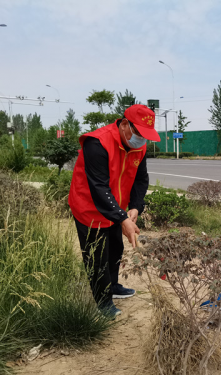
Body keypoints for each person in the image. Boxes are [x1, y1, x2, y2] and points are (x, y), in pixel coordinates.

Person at [69, 104, 160, 318]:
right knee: (97, 256)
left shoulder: (139, 146)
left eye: (146, 136)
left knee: (115, 250)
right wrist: (122, 218)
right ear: (125, 124)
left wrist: (136, 206)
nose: (141, 139)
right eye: (138, 133)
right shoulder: (97, 143)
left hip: (114, 208)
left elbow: (141, 178)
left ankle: (113, 286)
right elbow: (98, 187)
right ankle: (103, 302)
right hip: (89, 208)